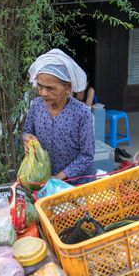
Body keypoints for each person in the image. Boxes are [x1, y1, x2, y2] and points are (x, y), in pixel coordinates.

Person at [24, 49, 95, 184]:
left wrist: (59, 177)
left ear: (67, 87)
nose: (43, 93)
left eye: (50, 88)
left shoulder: (82, 113)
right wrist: (27, 139)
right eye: (40, 86)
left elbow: (87, 155)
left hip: (77, 184)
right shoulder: (36, 105)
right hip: (45, 180)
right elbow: (27, 131)